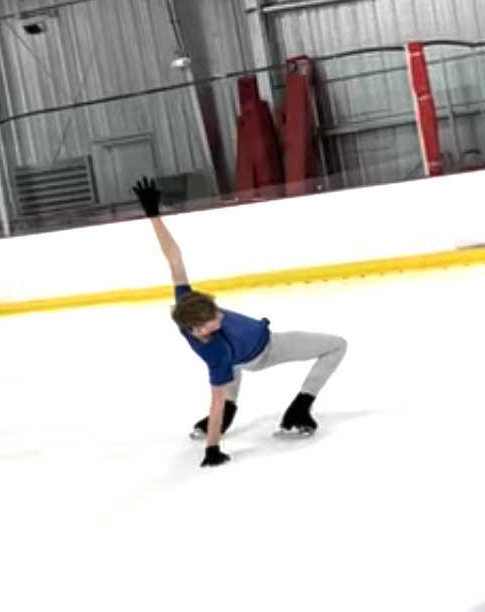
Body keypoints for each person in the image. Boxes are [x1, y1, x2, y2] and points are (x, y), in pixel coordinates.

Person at [132, 177, 348, 467]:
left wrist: (152, 215)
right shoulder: (216, 353)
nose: (220, 316)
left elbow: (174, 257)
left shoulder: (188, 304)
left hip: (237, 357)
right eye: (213, 320)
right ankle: (300, 408)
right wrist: (212, 449)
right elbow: (216, 399)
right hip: (266, 350)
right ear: (198, 330)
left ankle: (231, 415)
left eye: (216, 311)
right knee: (336, 345)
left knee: (231, 370)